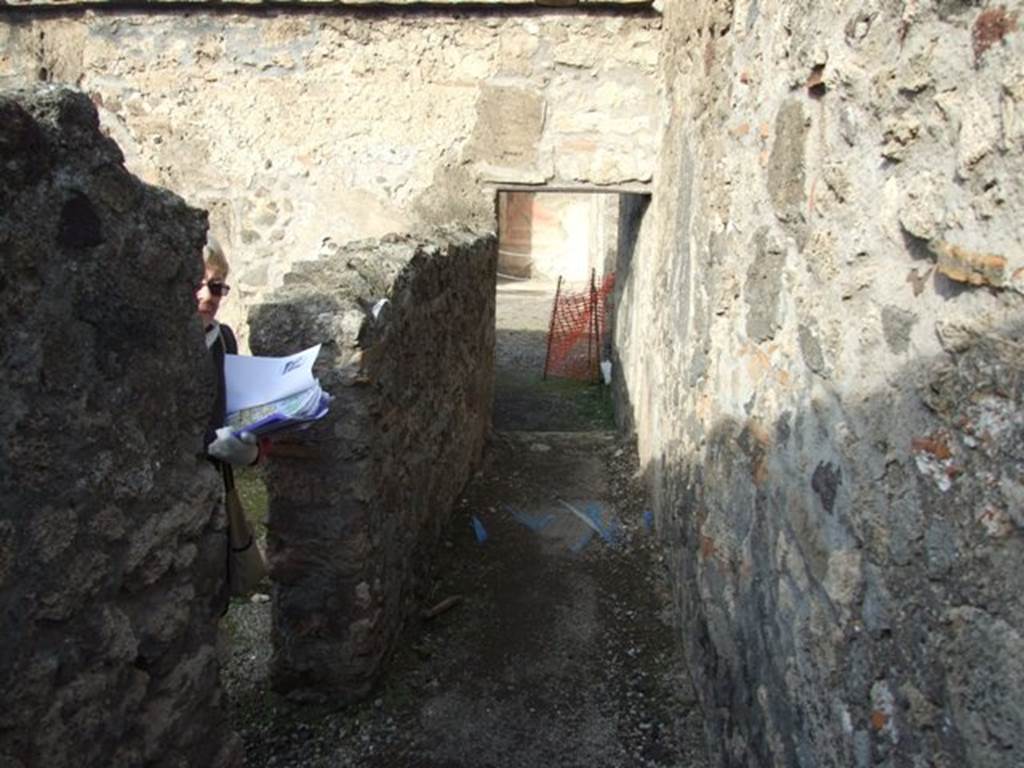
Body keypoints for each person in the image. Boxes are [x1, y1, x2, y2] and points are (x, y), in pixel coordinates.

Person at [196, 235, 259, 467]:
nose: (207, 297)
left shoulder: (224, 339)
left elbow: (235, 413)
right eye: (197, 285)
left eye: (215, 287)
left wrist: (252, 451)